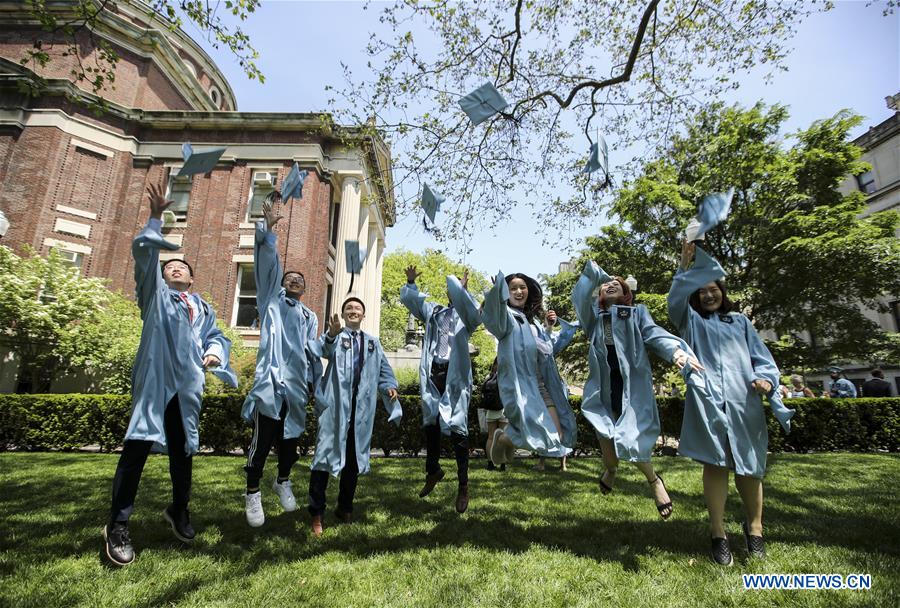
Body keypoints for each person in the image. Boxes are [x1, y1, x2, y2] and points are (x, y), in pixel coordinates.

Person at [103, 182, 237, 567]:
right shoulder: (155, 297)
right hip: (156, 381)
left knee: (183, 450)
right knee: (137, 448)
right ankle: (118, 524)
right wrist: (155, 219)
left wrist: (214, 353)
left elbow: (217, 337)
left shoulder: (203, 308)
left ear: (191, 279)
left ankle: (179, 509)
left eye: (181, 267)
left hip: (187, 387)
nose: (174, 267)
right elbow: (145, 254)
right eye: (168, 267)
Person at [668, 241, 794, 566]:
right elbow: (675, 301)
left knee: (750, 468)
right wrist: (683, 265)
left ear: (722, 292)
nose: (709, 295)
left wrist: (766, 380)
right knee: (715, 464)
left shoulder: (740, 321)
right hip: (709, 404)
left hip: (744, 402)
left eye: (713, 290)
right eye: (702, 292)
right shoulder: (691, 323)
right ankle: (718, 532)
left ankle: (755, 529)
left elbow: (762, 359)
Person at [573, 260, 701, 521]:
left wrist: (675, 352)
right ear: (599, 293)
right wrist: (593, 275)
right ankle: (611, 470)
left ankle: (654, 481)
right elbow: (580, 297)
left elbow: (654, 334)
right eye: (606, 284)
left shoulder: (637, 313)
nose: (610, 285)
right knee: (608, 451)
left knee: (632, 441)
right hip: (602, 391)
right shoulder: (593, 318)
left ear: (626, 293)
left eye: (617, 284)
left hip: (631, 390)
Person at [242, 199, 322, 528]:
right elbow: (267, 266)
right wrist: (269, 232)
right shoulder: (271, 301)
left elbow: (312, 352)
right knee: (262, 442)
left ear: (305, 288)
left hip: (297, 387)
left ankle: (282, 480)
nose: (294, 280)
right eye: (289, 277)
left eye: (299, 279)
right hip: (272, 384)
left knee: (291, 441)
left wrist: (315, 384)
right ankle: (252, 492)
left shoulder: (310, 316)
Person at [306, 296, 401, 535]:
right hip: (335, 409)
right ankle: (317, 513)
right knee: (323, 458)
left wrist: (390, 386)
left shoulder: (373, 343)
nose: (353, 310)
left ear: (363, 315)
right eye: (349, 308)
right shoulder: (336, 337)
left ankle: (344, 507)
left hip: (361, 411)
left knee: (353, 461)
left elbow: (384, 371)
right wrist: (331, 334)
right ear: (344, 314)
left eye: (357, 308)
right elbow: (322, 350)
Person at [401, 266, 482, 513]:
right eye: (451, 287)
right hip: (434, 371)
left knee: (458, 429)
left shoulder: (467, 313)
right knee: (431, 423)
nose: (453, 290)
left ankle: (463, 485)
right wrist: (411, 282)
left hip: (454, 374)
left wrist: (465, 293)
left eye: (457, 287)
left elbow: (476, 316)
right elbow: (413, 303)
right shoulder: (435, 311)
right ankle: (433, 470)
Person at [482, 272, 578, 470]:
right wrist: (497, 298)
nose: (518, 291)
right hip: (523, 388)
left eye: (522, 287)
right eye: (512, 288)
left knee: (557, 437)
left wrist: (548, 328)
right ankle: (507, 439)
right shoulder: (507, 317)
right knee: (537, 433)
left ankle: (506, 438)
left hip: (542, 385)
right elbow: (494, 320)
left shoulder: (533, 322)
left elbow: (548, 350)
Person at [481, 357, 507, 472]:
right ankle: (502, 464)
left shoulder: (488, 377)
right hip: (503, 410)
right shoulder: (506, 376)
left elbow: (483, 393)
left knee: (491, 437)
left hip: (491, 411)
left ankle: (490, 463)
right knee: (502, 437)